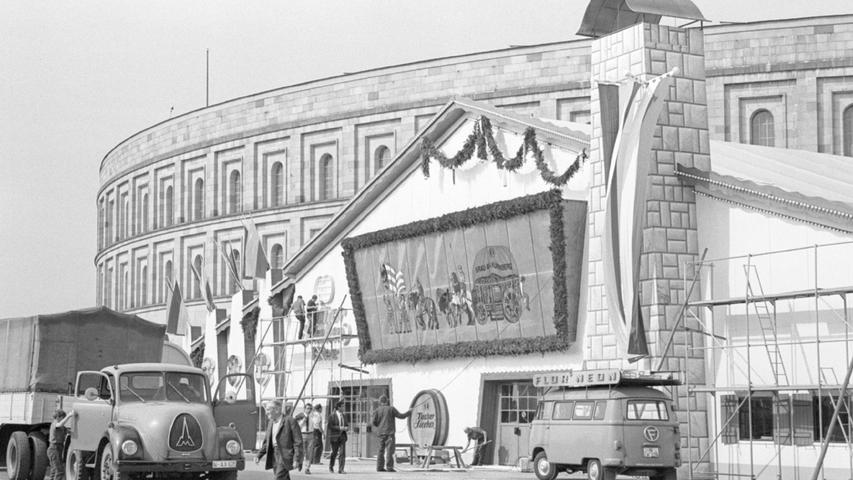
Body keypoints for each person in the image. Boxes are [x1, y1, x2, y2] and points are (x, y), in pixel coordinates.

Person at [255, 400, 302, 480]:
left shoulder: (290, 421)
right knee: (283, 477)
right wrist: (259, 455)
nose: (266, 413)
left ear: (277, 409)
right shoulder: (271, 423)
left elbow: (298, 442)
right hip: (274, 454)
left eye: (268, 409)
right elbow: (267, 442)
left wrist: (296, 459)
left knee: (278, 478)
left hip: (285, 455)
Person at [371, 395, 411, 472]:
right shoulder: (391, 409)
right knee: (389, 450)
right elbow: (401, 416)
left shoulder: (377, 410)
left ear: (380, 402)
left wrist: (380, 426)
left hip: (380, 434)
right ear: (387, 401)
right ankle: (389, 467)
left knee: (380, 451)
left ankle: (379, 467)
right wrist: (409, 412)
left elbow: (373, 422)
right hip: (389, 433)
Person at [47, 409, 75, 480]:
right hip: (54, 449)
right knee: (59, 471)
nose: (63, 419)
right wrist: (69, 416)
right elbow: (59, 425)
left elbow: (69, 432)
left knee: (54, 470)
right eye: (63, 417)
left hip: (58, 448)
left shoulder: (62, 427)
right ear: (58, 417)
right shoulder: (55, 423)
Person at [326, 401, 348, 474]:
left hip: (342, 437)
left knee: (342, 453)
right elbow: (330, 426)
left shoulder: (344, 416)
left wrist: (346, 428)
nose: (344, 408)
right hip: (334, 437)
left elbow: (346, 424)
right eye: (342, 406)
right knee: (334, 453)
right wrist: (340, 428)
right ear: (339, 407)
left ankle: (341, 469)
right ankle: (331, 466)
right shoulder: (332, 416)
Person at [305, 403, 324, 473]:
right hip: (316, 430)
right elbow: (318, 424)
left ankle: (313, 460)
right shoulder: (318, 415)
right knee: (318, 445)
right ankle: (316, 460)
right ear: (319, 408)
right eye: (321, 408)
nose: (322, 410)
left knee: (315, 446)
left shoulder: (312, 414)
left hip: (313, 430)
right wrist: (323, 432)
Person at [293, 402, 312, 473]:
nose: (309, 410)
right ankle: (300, 463)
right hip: (302, 435)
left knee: (309, 452)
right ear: (304, 409)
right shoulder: (300, 416)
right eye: (307, 408)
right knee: (301, 451)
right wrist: (302, 421)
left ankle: (307, 468)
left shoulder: (312, 416)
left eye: (310, 409)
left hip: (310, 435)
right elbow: (296, 426)